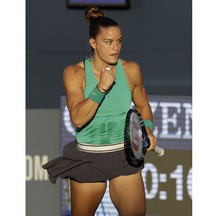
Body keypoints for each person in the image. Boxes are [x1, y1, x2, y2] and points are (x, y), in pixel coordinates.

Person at [42, 6, 157, 216]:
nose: (116, 48)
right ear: (93, 43)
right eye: (108, 42)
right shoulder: (74, 73)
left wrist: (148, 129)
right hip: (88, 157)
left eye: (119, 41)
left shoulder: (131, 70)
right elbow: (77, 118)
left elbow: (143, 105)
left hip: (124, 157)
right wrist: (101, 88)